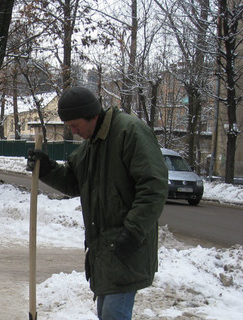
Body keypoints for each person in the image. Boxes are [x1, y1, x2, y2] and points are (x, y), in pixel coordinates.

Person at [27, 87, 168, 319]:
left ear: (92, 115)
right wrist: (48, 169)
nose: (73, 131)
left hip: (125, 247)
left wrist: (133, 231)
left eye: (75, 124)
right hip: (104, 253)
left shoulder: (129, 132)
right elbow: (74, 182)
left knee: (113, 314)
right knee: (107, 313)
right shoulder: (92, 145)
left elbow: (154, 185)